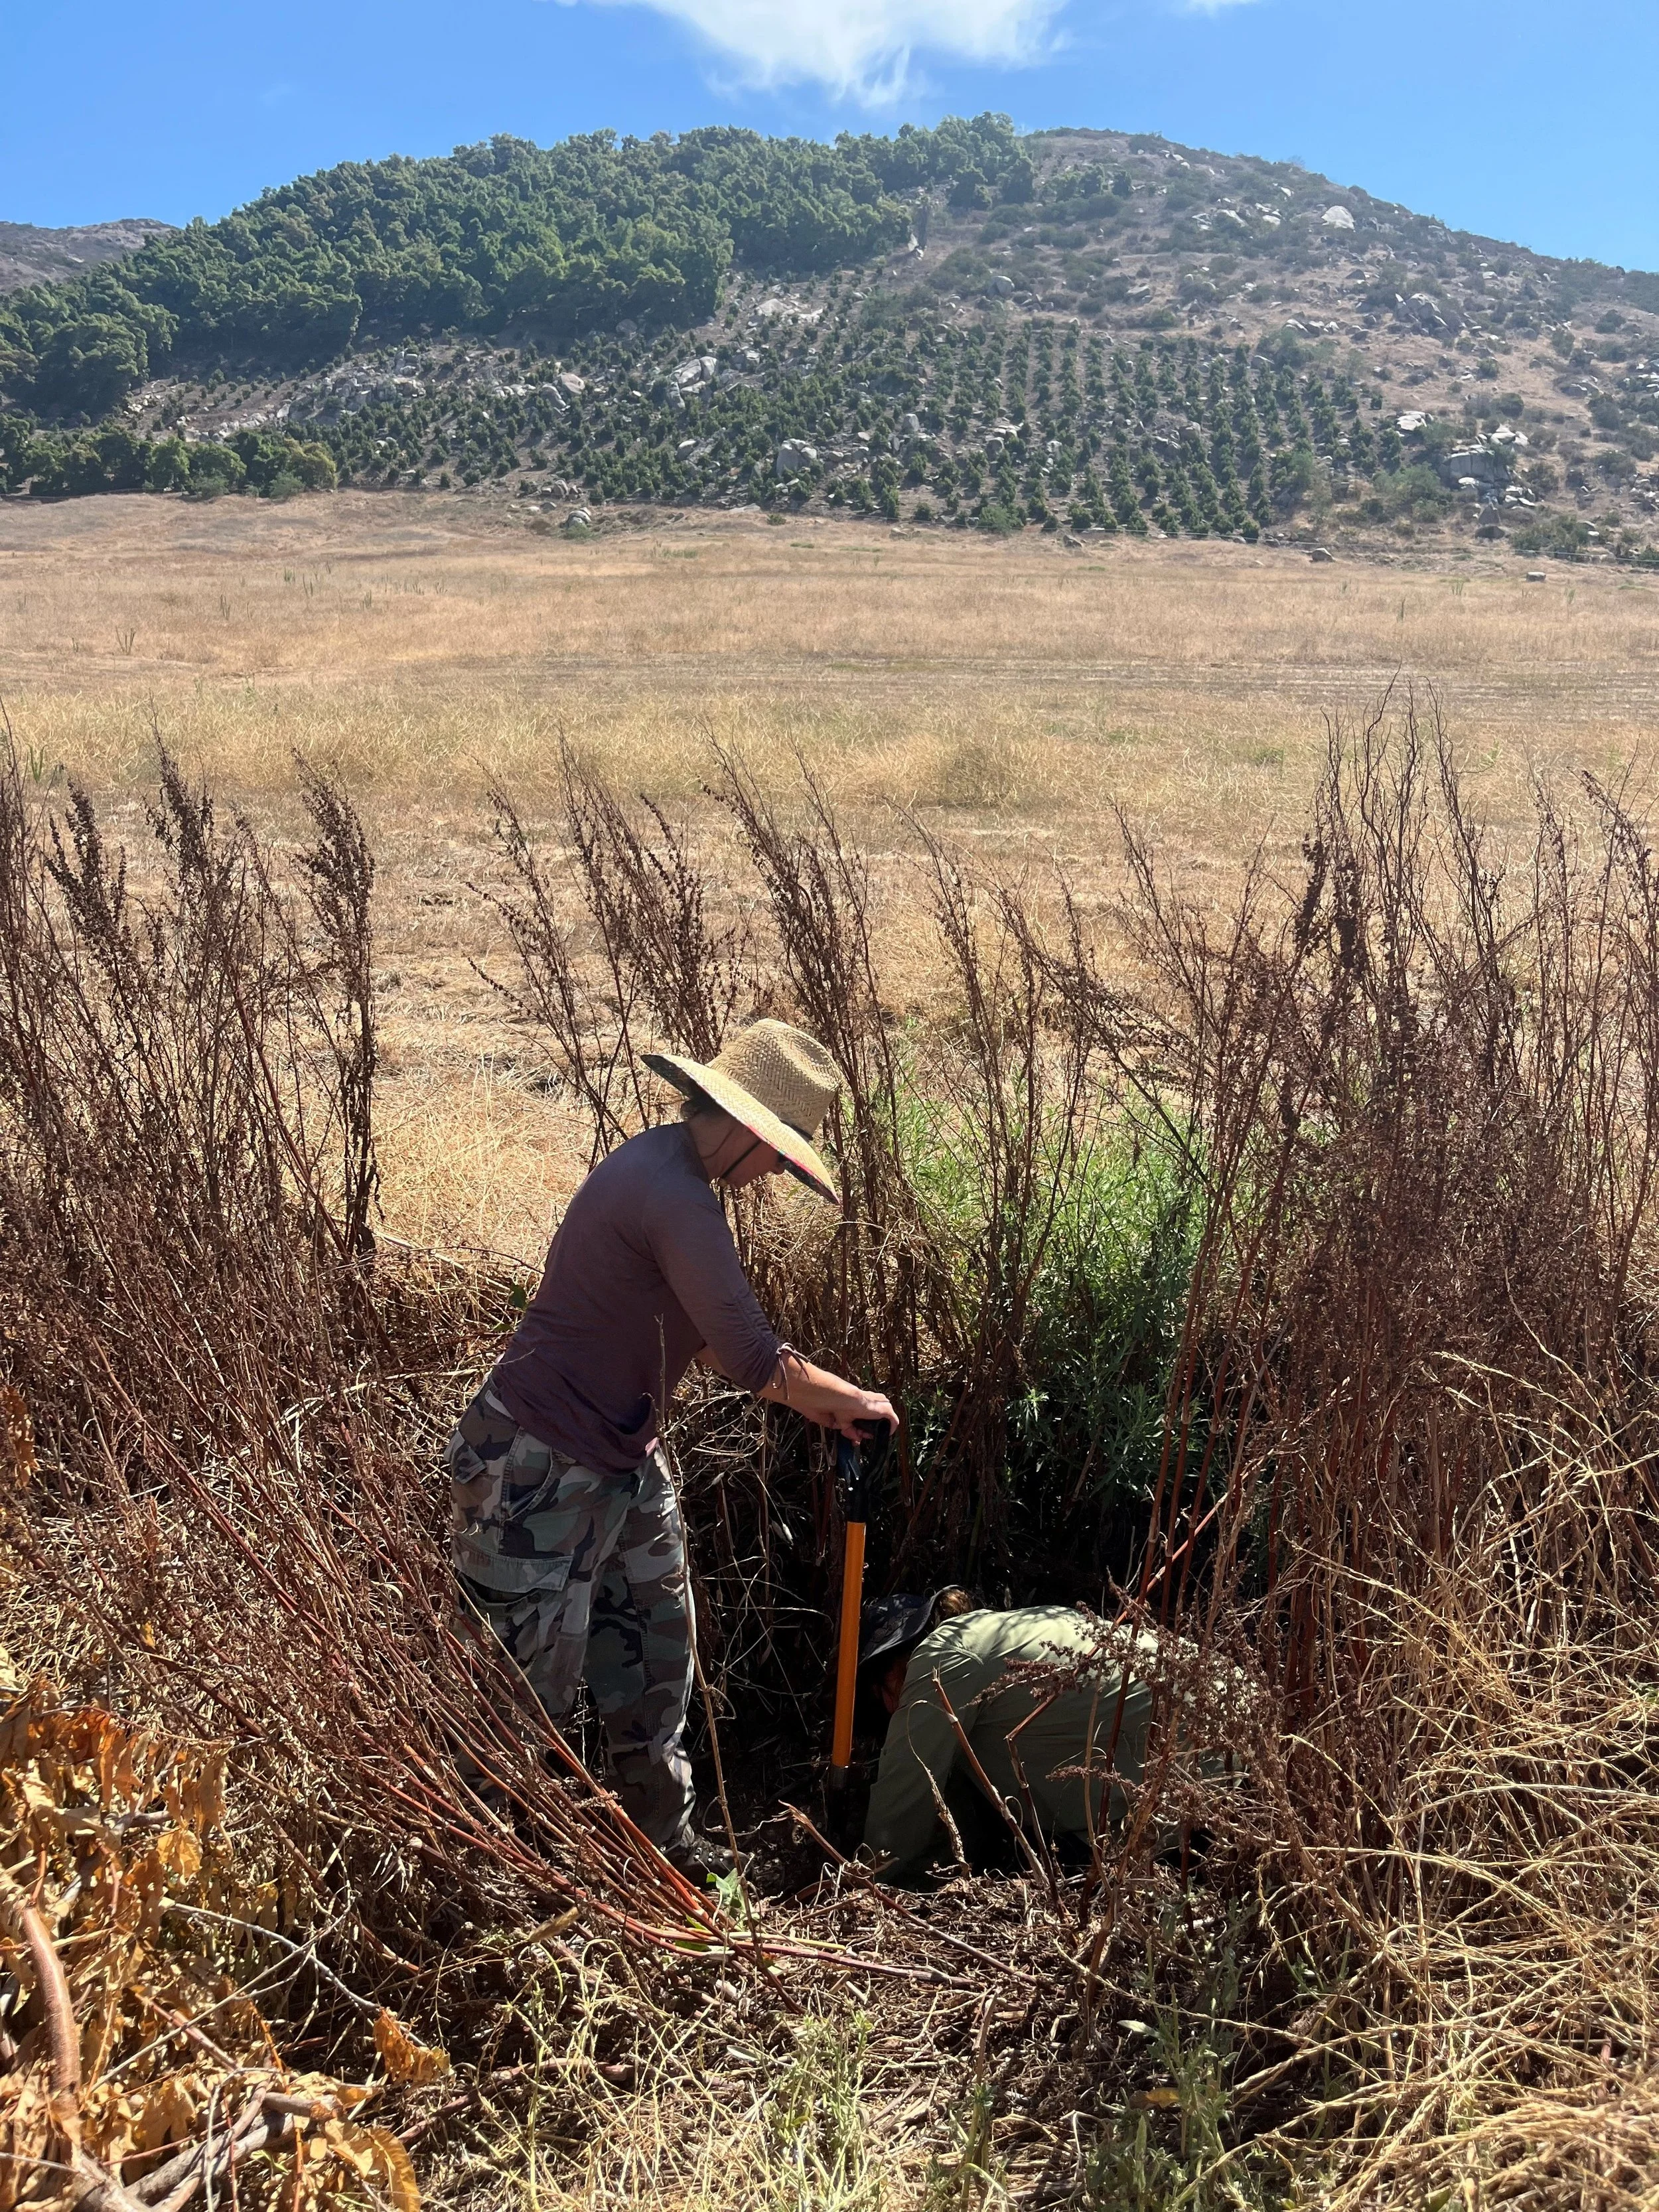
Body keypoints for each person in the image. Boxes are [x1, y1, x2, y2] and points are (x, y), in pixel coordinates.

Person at [446, 1018, 897, 1880]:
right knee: (517, 1700)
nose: (771, 1172)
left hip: (623, 1458)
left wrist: (830, 1409)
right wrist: (857, 1402)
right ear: (736, 1124)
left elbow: (717, 1344)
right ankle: (482, 1890)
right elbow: (753, 1360)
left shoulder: (683, 1178)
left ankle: (661, 1852)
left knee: (655, 1661)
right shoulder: (670, 1191)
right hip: (534, 1465)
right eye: (775, 1151)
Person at [858, 1590, 1158, 1875]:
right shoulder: (989, 1635)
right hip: (1191, 1730)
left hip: (1167, 1800)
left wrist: (861, 1880)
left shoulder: (939, 1659)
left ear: (887, 1677)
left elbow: (900, 1809)